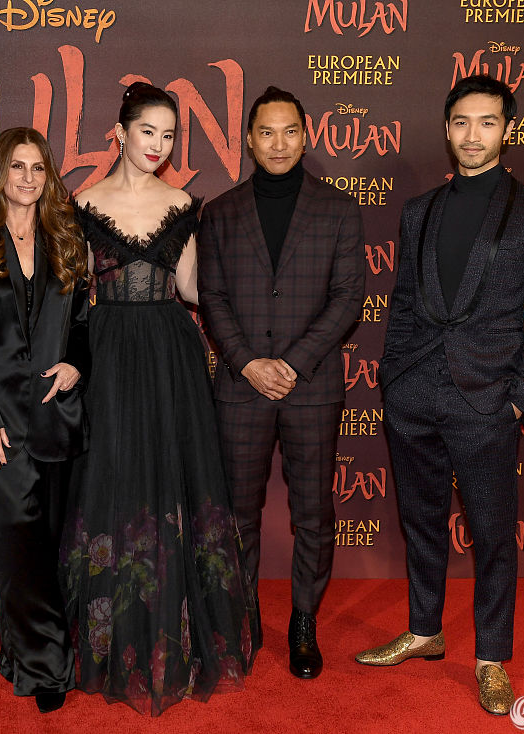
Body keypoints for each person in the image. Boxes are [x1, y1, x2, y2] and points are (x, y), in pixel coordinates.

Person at [354, 75, 524, 715]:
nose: (472, 135)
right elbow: (402, 302)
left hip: (486, 398)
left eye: (486, 122)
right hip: (413, 393)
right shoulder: (418, 210)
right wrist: (392, 378)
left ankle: (490, 658)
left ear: (508, 129)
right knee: (419, 521)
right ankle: (425, 630)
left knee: (493, 533)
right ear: (447, 129)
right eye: (460, 122)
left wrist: (520, 399)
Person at [59, 82, 259, 716]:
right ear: (120, 133)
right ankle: (105, 638)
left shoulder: (184, 206)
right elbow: (72, 292)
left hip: (171, 354)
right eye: (148, 131)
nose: (159, 145)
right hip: (108, 354)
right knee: (111, 477)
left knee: (174, 480)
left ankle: (177, 638)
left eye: (169, 135)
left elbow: (193, 289)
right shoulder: (82, 204)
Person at [197, 86, 365, 680]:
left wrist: (292, 363)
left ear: (306, 135)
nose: (278, 143)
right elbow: (212, 297)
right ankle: (243, 618)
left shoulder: (339, 209)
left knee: (313, 514)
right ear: (249, 139)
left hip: (311, 386)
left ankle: (303, 623)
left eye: (289, 131)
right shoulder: (220, 212)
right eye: (266, 132)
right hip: (239, 386)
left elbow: (349, 297)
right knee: (236, 515)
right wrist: (247, 363)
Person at [0, 127, 90, 715]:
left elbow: (82, 324)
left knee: (49, 545)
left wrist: (77, 364)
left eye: (38, 168)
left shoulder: (68, 240)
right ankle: (46, 668)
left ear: (48, 176)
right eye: (17, 167)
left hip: (58, 417)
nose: (28, 178)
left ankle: (17, 648)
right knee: (19, 544)